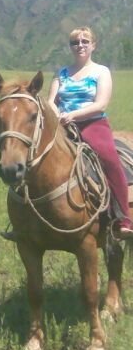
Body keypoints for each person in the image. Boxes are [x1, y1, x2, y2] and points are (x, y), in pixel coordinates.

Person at [47, 26, 133, 240]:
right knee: (33, 155)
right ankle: (24, 222)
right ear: (70, 47)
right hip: (62, 125)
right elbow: (50, 101)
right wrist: (57, 114)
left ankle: (123, 218)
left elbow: (101, 104)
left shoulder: (101, 71)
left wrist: (74, 114)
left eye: (85, 41)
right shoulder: (61, 73)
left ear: (93, 45)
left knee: (111, 161)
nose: (80, 45)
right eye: (75, 42)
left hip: (92, 124)